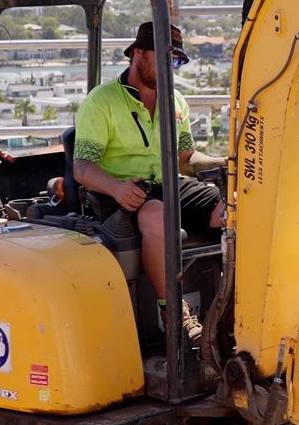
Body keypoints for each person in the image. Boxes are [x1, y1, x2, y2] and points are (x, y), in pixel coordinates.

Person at [71, 20, 223, 343]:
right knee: (157, 216)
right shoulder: (103, 102)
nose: (172, 68)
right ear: (138, 53)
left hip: (166, 183)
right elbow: (82, 167)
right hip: (119, 192)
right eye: (165, 58)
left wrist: (225, 165)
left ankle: (229, 307)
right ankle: (174, 313)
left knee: (230, 208)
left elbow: (185, 160)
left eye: (177, 61)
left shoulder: (175, 102)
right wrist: (116, 187)